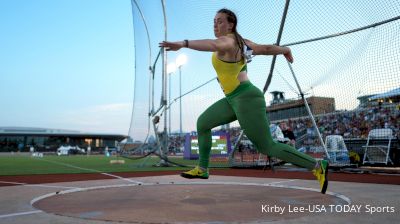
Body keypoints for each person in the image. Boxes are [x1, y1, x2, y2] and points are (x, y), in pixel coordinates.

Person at [159, 8, 328, 194]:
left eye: (220, 21)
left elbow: (212, 45)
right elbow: (265, 49)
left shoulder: (228, 41)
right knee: (203, 123)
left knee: (266, 146)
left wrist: (183, 44)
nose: (216, 25)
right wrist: (285, 50)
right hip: (233, 98)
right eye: (214, 21)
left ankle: (317, 165)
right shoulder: (243, 42)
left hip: (246, 97)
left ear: (231, 24)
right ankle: (203, 168)